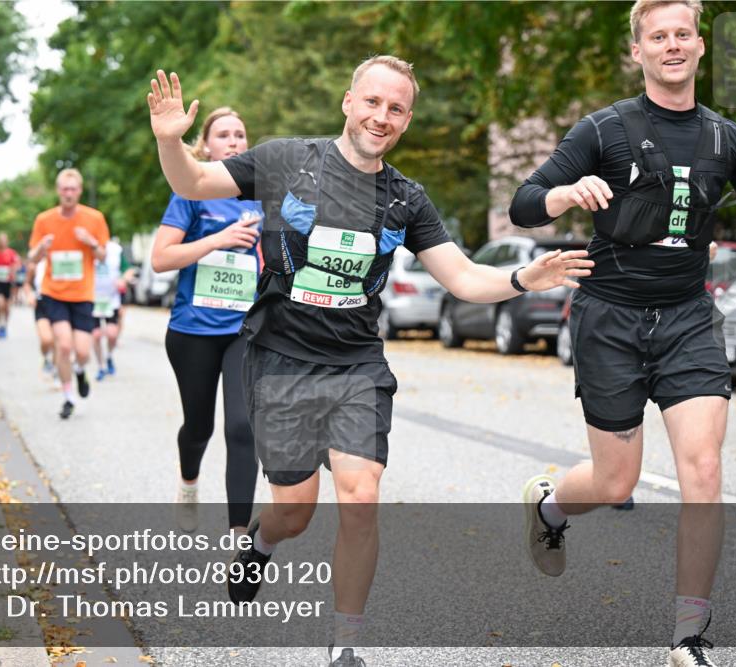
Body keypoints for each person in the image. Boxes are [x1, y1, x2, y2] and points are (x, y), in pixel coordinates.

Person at [148, 58, 593, 666]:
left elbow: (462, 277)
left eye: (396, 109)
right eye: (373, 102)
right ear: (348, 102)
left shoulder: (407, 199)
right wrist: (170, 141)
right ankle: (259, 542)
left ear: (406, 120)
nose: (381, 117)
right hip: (281, 358)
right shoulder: (285, 161)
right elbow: (193, 184)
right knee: (294, 512)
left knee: (360, 496)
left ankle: (345, 647)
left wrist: (522, 277)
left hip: (356, 364)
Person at [508, 2, 736, 666]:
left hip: (688, 317)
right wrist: (568, 193)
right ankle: (549, 506)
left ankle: (688, 637)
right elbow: (524, 202)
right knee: (613, 481)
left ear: (700, 46)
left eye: (682, 34)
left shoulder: (729, 139)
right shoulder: (606, 128)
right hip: (611, 320)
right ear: (638, 51)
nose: (672, 45)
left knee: (705, 468)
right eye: (657, 36)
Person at [151, 106, 265, 536]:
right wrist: (218, 238)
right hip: (193, 331)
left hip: (244, 330)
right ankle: (188, 482)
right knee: (199, 426)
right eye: (224, 134)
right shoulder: (190, 192)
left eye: (240, 133)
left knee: (242, 427)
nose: (234, 141)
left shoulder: (262, 194)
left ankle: (239, 537)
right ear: (206, 144)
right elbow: (161, 258)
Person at [28, 168, 109, 420]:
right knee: (63, 346)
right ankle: (68, 396)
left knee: (82, 351)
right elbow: (31, 257)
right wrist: (41, 248)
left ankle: (80, 370)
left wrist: (90, 242)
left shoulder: (94, 218)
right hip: (54, 292)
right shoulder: (44, 220)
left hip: (83, 293)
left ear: (80, 191)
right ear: (58, 191)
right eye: (64, 189)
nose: (69, 193)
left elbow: (103, 255)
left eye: (73, 189)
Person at [91, 237, 133, 381]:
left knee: (112, 334)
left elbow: (128, 270)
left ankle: (109, 356)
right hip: (92, 298)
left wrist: (123, 279)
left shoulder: (115, 249)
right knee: (96, 335)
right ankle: (101, 366)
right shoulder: (86, 247)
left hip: (111, 299)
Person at [27, 257, 57, 379]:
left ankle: (56, 372)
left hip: (59, 303)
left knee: (57, 340)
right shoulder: (36, 264)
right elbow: (27, 284)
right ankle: (46, 357)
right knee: (46, 339)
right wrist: (29, 294)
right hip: (42, 303)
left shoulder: (60, 259)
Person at [0, 232, 21, 339]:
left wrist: (13, 269)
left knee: (7, 307)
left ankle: (5, 325)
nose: (2, 242)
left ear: (7, 241)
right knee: (0, 304)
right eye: (1, 240)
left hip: (9, 282)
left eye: (4, 240)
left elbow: (17, 264)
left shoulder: (12, 253)